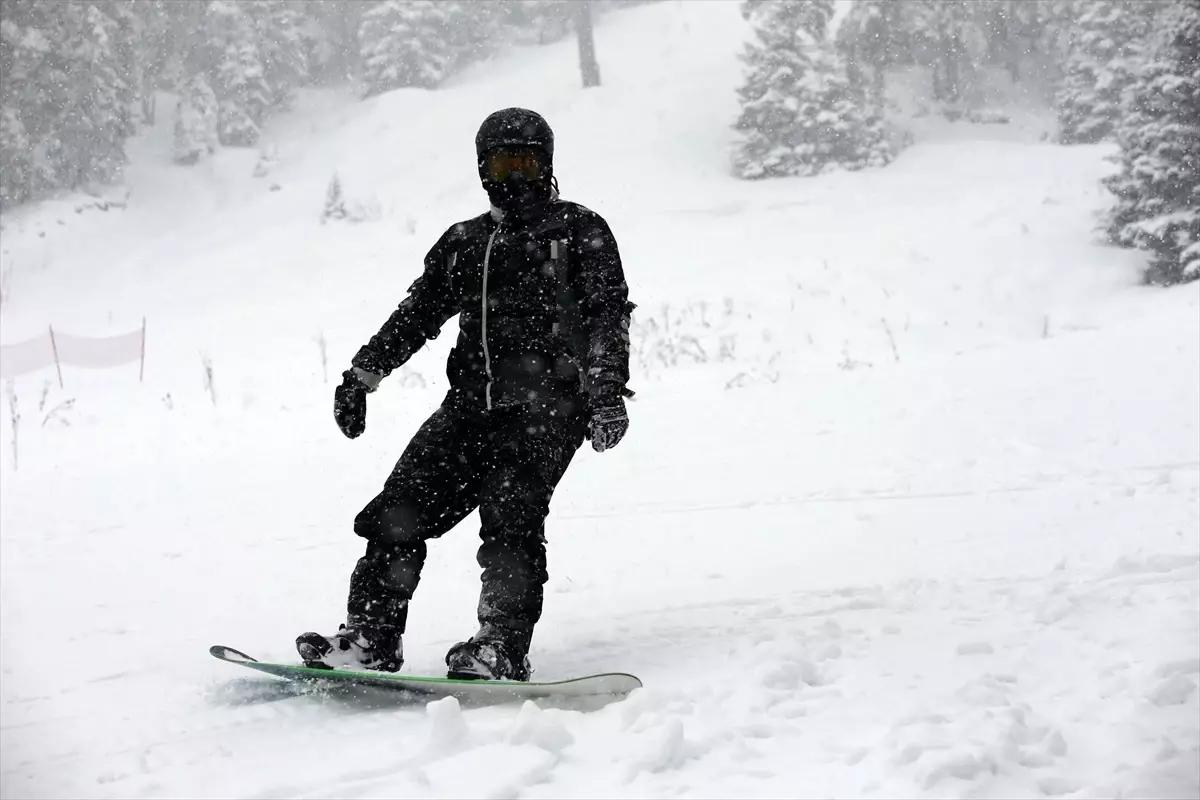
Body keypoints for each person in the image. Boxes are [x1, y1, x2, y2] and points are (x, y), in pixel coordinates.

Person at [296, 108, 635, 681]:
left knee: (510, 514)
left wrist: (605, 393)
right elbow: (417, 314)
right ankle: (371, 637)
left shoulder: (580, 230)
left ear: (548, 165)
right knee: (395, 513)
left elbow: (608, 315)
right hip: (468, 408)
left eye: (527, 162)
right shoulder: (464, 242)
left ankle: (500, 644)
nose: (516, 175)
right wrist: (362, 376)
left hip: (550, 408)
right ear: (483, 168)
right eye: (504, 163)